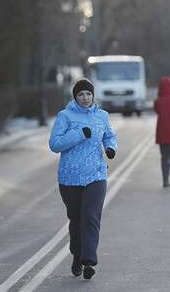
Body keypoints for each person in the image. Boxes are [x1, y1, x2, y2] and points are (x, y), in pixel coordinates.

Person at [49, 78, 118, 280]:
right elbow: (55, 144)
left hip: (96, 174)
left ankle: (89, 261)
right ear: (75, 97)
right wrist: (79, 134)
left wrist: (111, 148)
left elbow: (109, 136)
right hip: (70, 177)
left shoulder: (102, 116)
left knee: (90, 216)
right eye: (81, 94)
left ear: (93, 95)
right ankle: (77, 256)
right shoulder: (65, 116)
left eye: (88, 94)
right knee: (76, 220)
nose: (85, 98)